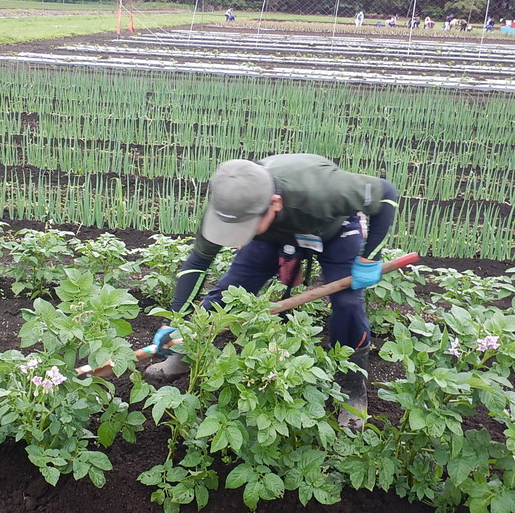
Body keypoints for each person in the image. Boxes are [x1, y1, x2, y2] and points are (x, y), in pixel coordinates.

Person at [145, 154, 398, 431]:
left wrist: (370, 257)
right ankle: (186, 352)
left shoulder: (322, 190)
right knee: (230, 289)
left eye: (245, 225)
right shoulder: (231, 202)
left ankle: (351, 386)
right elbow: (197, 262)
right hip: (273, 233)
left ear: (274, 203)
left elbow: (385, 194)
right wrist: (176, 321)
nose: (237, 233)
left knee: (348, 303)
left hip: (333, 229)